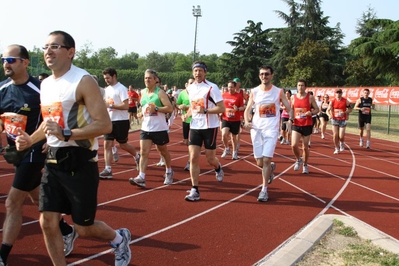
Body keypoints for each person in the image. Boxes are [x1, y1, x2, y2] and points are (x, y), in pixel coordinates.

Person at [14, 31, 131, 266]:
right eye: (46, 46)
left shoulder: (83, 80)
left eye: (55, 46)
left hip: (80, 160)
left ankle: (119, 239)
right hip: (54, 160)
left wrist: (67, 133)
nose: (48, 51)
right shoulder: (45, 84)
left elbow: (104, 124)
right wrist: (30, 139)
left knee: (84, 228)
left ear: (70, 52)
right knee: (47, 221)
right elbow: (50, 125)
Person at [0, 44, 76, 265]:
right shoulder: (2, 89)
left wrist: (46, 139)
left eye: (11, 60)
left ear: (25, 62)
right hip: (16, 152)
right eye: (4, 60)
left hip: (35, 152)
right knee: (36, 197)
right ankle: (66, 230)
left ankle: (3, 255)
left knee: (13, 202)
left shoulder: (40, 89)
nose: (6, 64)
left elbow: (54, 118)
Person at [243, 65, 291, 202]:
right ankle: (270, 168)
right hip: (256, 129)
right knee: (259, 162)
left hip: (271, 129)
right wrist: (246, 121)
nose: (264, 76)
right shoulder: (254, 91)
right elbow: (247, 110)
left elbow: (288, 107)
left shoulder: (278, 92)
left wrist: (291, 119)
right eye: (262, 74)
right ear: (259, 76)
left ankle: (264, 190)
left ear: (272, 75)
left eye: (267, 74)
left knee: (265, 159)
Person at [182, 61, 226, 201]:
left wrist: (205, 110)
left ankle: (218, 167)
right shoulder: (190, 88)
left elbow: (221, 108)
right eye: (195, 71)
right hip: (195, 127)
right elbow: (193, 106)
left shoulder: (212, 88)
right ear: (192, 72)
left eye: (200, 70)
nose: (197, 73)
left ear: (205, 72)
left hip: (209, 127)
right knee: (193, 157)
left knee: (210, 159)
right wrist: (187, 114)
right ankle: (195, 189)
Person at [129, 69, 174, 188]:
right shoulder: (142, 92)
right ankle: (141, 177)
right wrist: (141, 113)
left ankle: (169, 171)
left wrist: (157, 109)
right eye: (145, 78)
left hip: (159, 128)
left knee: (163, 151)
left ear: (155, 80)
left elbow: (169, 108)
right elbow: (144, 106)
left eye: (149, 78)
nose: (147, 80)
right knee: (144, 152)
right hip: (146, 128)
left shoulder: (160, 93)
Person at [100, 67, 140, 179]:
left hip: (121, 121)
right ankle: (108, 169)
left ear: (114, 76)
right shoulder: (106, 90)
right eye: (105, 78)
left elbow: (126, 106)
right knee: (107, 144)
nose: (106, 80)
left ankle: (137, 156)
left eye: (108, 78)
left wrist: (111, 106)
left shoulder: (121, 88)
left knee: (123, 144)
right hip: (109, 121)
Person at [289, 80, 319, 174]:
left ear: (305, 87)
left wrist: (311, 112)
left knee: (305, 147)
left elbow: (317, 109)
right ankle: (298, 159)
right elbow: (291, 109)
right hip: (296, 124)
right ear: (296, 87)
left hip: (307, 124)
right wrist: (291, 118)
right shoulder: (293, 97)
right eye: (298, 85)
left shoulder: (310, 97)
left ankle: (305, 165)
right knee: (293, 144)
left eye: (302, 85)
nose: (300, 87)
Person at [220, 80, 245, 160]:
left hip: (235, 119)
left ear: (235, 87)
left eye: (231, 87)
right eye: (228, 87)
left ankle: (234, 153)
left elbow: (243, 107)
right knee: (224, 134)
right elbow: (221, 106)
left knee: (233, 137)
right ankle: (227, 148)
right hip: (226, 118)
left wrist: (237, 109)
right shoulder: (224, 95)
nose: (229, 88)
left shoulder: (239, 96)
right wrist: (221, 112)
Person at [327, 88, 352, 154]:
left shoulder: (345, 101)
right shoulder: (332, 101)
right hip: (335, 119)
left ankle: (341, 143)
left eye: (339, 93)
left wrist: (344, 112)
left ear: (341, 93)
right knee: (335, 135)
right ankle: (336, 148)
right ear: (335, 94)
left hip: (343, 120)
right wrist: (329, 115)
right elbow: (327, 110)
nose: (338, 94)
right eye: (337, 93)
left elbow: (350, 109)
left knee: (341, 136)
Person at [177, 78, 194, 171]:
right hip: (185, 120)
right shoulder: (182, 93)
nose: (192, 84)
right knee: (186, 141)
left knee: (191, 143)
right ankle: (192, 154)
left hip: (194, 121)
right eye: (190, 83)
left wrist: (187, 107)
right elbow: (177, 104)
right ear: (186, 84)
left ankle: (190, 161)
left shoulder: (196, 93)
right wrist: (180, 107)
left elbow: (196, 106)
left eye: (193, 83)